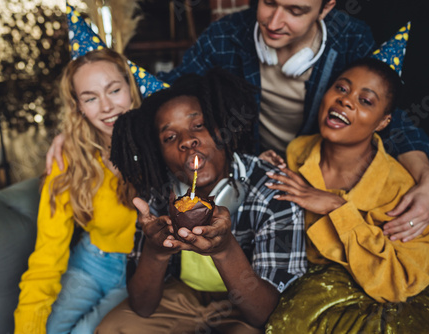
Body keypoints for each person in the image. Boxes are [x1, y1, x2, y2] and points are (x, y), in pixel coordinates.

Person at [45, 0, 429, 244]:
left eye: (297, 10)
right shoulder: (225, 36)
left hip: (315, 178)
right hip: (251, 178)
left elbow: (389, 116)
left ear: (327, 7)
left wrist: (428, 180)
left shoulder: (351, 38)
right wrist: (84, 126)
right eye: (269, 2)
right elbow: (169, 95)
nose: (275, 20)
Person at [94, 68, 307, 333]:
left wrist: (225, 249)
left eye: (199, 125)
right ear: (158, 153)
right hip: (182, 296)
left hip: (244, 305)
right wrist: (156, 251)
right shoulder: (158, 193)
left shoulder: (273, 186)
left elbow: (266, 314)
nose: (187, 141)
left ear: (222, 123)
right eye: (170, 137)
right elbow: (143, 307)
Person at [263, 57, 429, 332]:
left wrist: (336, 207)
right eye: (341, 89)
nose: (346, 100)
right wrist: (262, 170)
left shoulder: (403, 191)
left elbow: (396, 283)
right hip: (316, 290)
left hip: (399, 299)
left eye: (366, 101)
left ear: (383, 122)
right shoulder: (297, 152)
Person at [14, 6, 144, 334]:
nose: (107, 106)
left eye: (114, 90)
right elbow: (47, 255)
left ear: (131, 87)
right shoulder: (69, 160)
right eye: (90, 98)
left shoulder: (164, 142)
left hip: (139, 271)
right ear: (79, 108)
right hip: (90, 263)